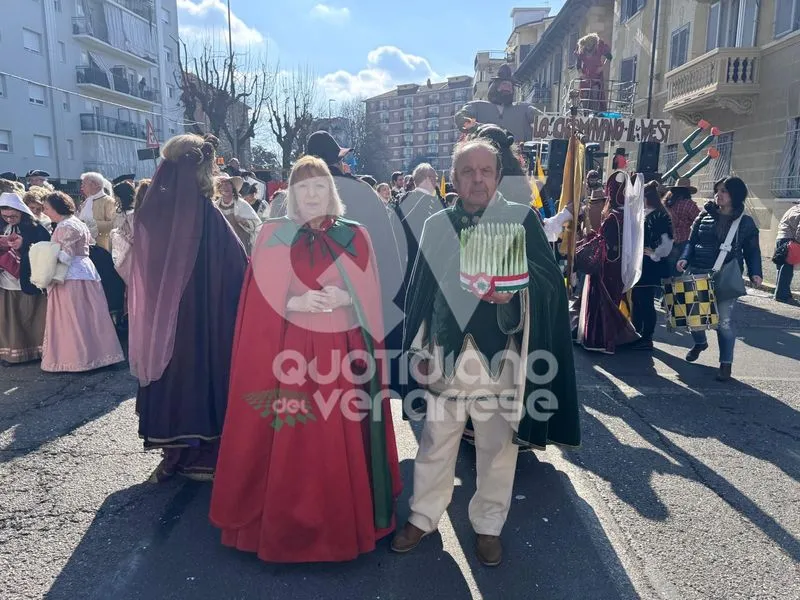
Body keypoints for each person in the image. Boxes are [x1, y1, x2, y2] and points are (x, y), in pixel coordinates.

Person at [392, 139, 579, 566]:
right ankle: (423, 517)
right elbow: (420, 295)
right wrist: (419, 349)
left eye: (486, 171)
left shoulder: (522, 220)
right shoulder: (436, 224)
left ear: (496, 176)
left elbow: (550, 283)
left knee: (498, 448)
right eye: (467, 171)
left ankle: (488, 526)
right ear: (453, 179)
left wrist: (515, 293)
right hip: (446, 355)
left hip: (503, 360)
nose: (477, 179)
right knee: (437, 442)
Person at [210, 155, 402, 563]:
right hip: (288, 352)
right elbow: (256, 295)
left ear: (331, 191)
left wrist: (348, 296)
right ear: (291, 195)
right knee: (292, 432)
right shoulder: (273, 234)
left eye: (319, 187)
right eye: (303, 188)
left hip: (341, 355)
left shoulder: (356, 234)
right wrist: (293, 299)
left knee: (336, 433)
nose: (312, 195)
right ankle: (285, 527)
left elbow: (374, 290)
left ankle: (340, 524)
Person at [129, 134, 247, 482]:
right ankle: (204, 454)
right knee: (204, 372)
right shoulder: (206, 215)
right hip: (206, 320)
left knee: (171, 373)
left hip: (163, 320)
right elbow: (237, 267)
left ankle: (173, 453)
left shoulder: (152, 212)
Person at [677, 177, 762, 381]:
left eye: (724, 191)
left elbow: (752, 250)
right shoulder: (703, 216)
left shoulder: (746, 223)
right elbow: (691, 242)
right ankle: (700, 343)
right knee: (694, 319)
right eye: (718, 190)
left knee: (724, 322)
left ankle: (726, 364)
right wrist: (684, 258)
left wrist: (755, 272)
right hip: (698, 271)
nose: (719, 194)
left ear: (735, 195)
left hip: (726, 275)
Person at [40, 192, 124, 372]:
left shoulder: (66, 225)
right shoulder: (76, 222)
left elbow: (66, 255)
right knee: (91, 316)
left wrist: (46, 268)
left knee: (75, 318)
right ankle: (100, 356)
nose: (45, 211)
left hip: (70, 276)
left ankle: (81, 360)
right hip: (85, 272)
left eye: (47, 207)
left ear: (57, 207)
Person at [576, 171, 641, 354]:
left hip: (606, 266)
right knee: (611, 301)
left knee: (602, 304)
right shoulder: (626, 216)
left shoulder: (613, 217)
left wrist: (588, 238)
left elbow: (603, 242)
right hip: (618, 266)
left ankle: (602, 340)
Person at [0, 192, 50, 365]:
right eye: (5, 215)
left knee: (31, 314)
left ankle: (36, 350)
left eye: (13, 215)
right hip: (7, 277)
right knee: (12, 315)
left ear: (21, 211)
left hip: (28, 277)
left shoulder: (34, 226)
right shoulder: (2, 226)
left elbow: (46, 246)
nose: (9, 219)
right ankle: (14, 352)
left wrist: (24, 244)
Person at [631, 181, 673, 350]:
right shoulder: (644, 213)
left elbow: (667, 242)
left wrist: (655, 253)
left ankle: (647, 337)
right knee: (636, 299)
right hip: (639, 263)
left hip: (650, 265)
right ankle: (637, 332)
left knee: (646, 301)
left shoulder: (660, 215)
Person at [455, 64, 538, 143]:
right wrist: (473, 125)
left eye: (510, 85)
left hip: (517, 155)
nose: (508, 88)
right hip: (484, 152)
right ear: (495, 87)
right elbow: (461, 116)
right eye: (504, 84)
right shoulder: (477, 107)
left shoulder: (524, 109)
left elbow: (544, 121)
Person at [215, 173, 262, 255]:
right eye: (223, 185)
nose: (226, 187)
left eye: (228, 184)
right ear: (219, 189)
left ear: (232, 187)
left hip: (241, 247)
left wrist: (245, 222)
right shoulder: (215, 207)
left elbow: (257, 224)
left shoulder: (242, 204)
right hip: (222, 248)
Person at [664, 177, 701, 276]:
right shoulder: (688, 204)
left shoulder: (666, 203)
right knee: (681, 270)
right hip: (684, 241)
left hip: (668, 241)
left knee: (669, 270)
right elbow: (698, 220)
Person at [574, 33, 613, 113]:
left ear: (594, 43)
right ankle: (586, 114)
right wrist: (581, 74)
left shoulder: (600, 45)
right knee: (585, 96)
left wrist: (602, 68)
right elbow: (578, 65)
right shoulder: (581, 48)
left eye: (590, 45)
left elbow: (609, 57)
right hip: (586, 77)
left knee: (595, 94)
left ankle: (595, 114)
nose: (588, 48)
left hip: (596, 76)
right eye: (586, 46)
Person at [78, 172, 116, 252]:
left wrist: (91, 224)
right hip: (85, 245)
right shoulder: (86, 202)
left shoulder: (108, 201)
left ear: (95, 185)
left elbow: (113, 224)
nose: (82, 187)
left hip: (102, 246)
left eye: (84, 184)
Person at [772, 202, 800, 305]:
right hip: (790, 239)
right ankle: (782, 296)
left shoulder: (793, 208)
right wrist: (797, 242)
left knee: (781, 268)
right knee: (787, 269)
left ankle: (781, 294)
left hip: (781, 237)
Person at [110, 181, 136, 285]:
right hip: (120, 250)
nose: (115, 198)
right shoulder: (120, 212)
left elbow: (134, 234)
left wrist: (120, 235)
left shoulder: (132, 214)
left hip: (130, 252)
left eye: (116, 195)